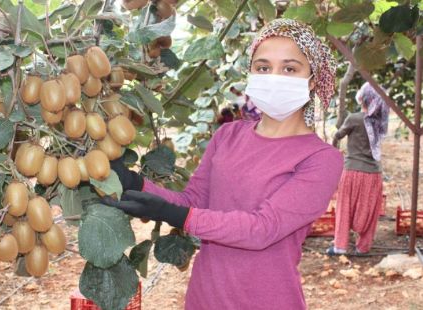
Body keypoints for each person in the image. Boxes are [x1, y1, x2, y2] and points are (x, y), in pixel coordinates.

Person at [105, 19, 343, 309]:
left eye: (290, 69)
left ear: (313, 80)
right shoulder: (229, 135)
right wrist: (134, 183)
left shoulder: (320, 158)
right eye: (263, 67)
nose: (274, 77)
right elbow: (192, 201)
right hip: (205, 297)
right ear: (252, 73)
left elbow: (262, 229)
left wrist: (176, 215)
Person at [327, 82, 389, 256]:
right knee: (368, 210)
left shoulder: (354, 118)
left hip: (353, 170)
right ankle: (363, 247)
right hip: (374, 174)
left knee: (345, 208)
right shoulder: (380, 122)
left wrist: (334, 147)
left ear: (362, 98)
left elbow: (338, 135)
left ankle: (340, 246)